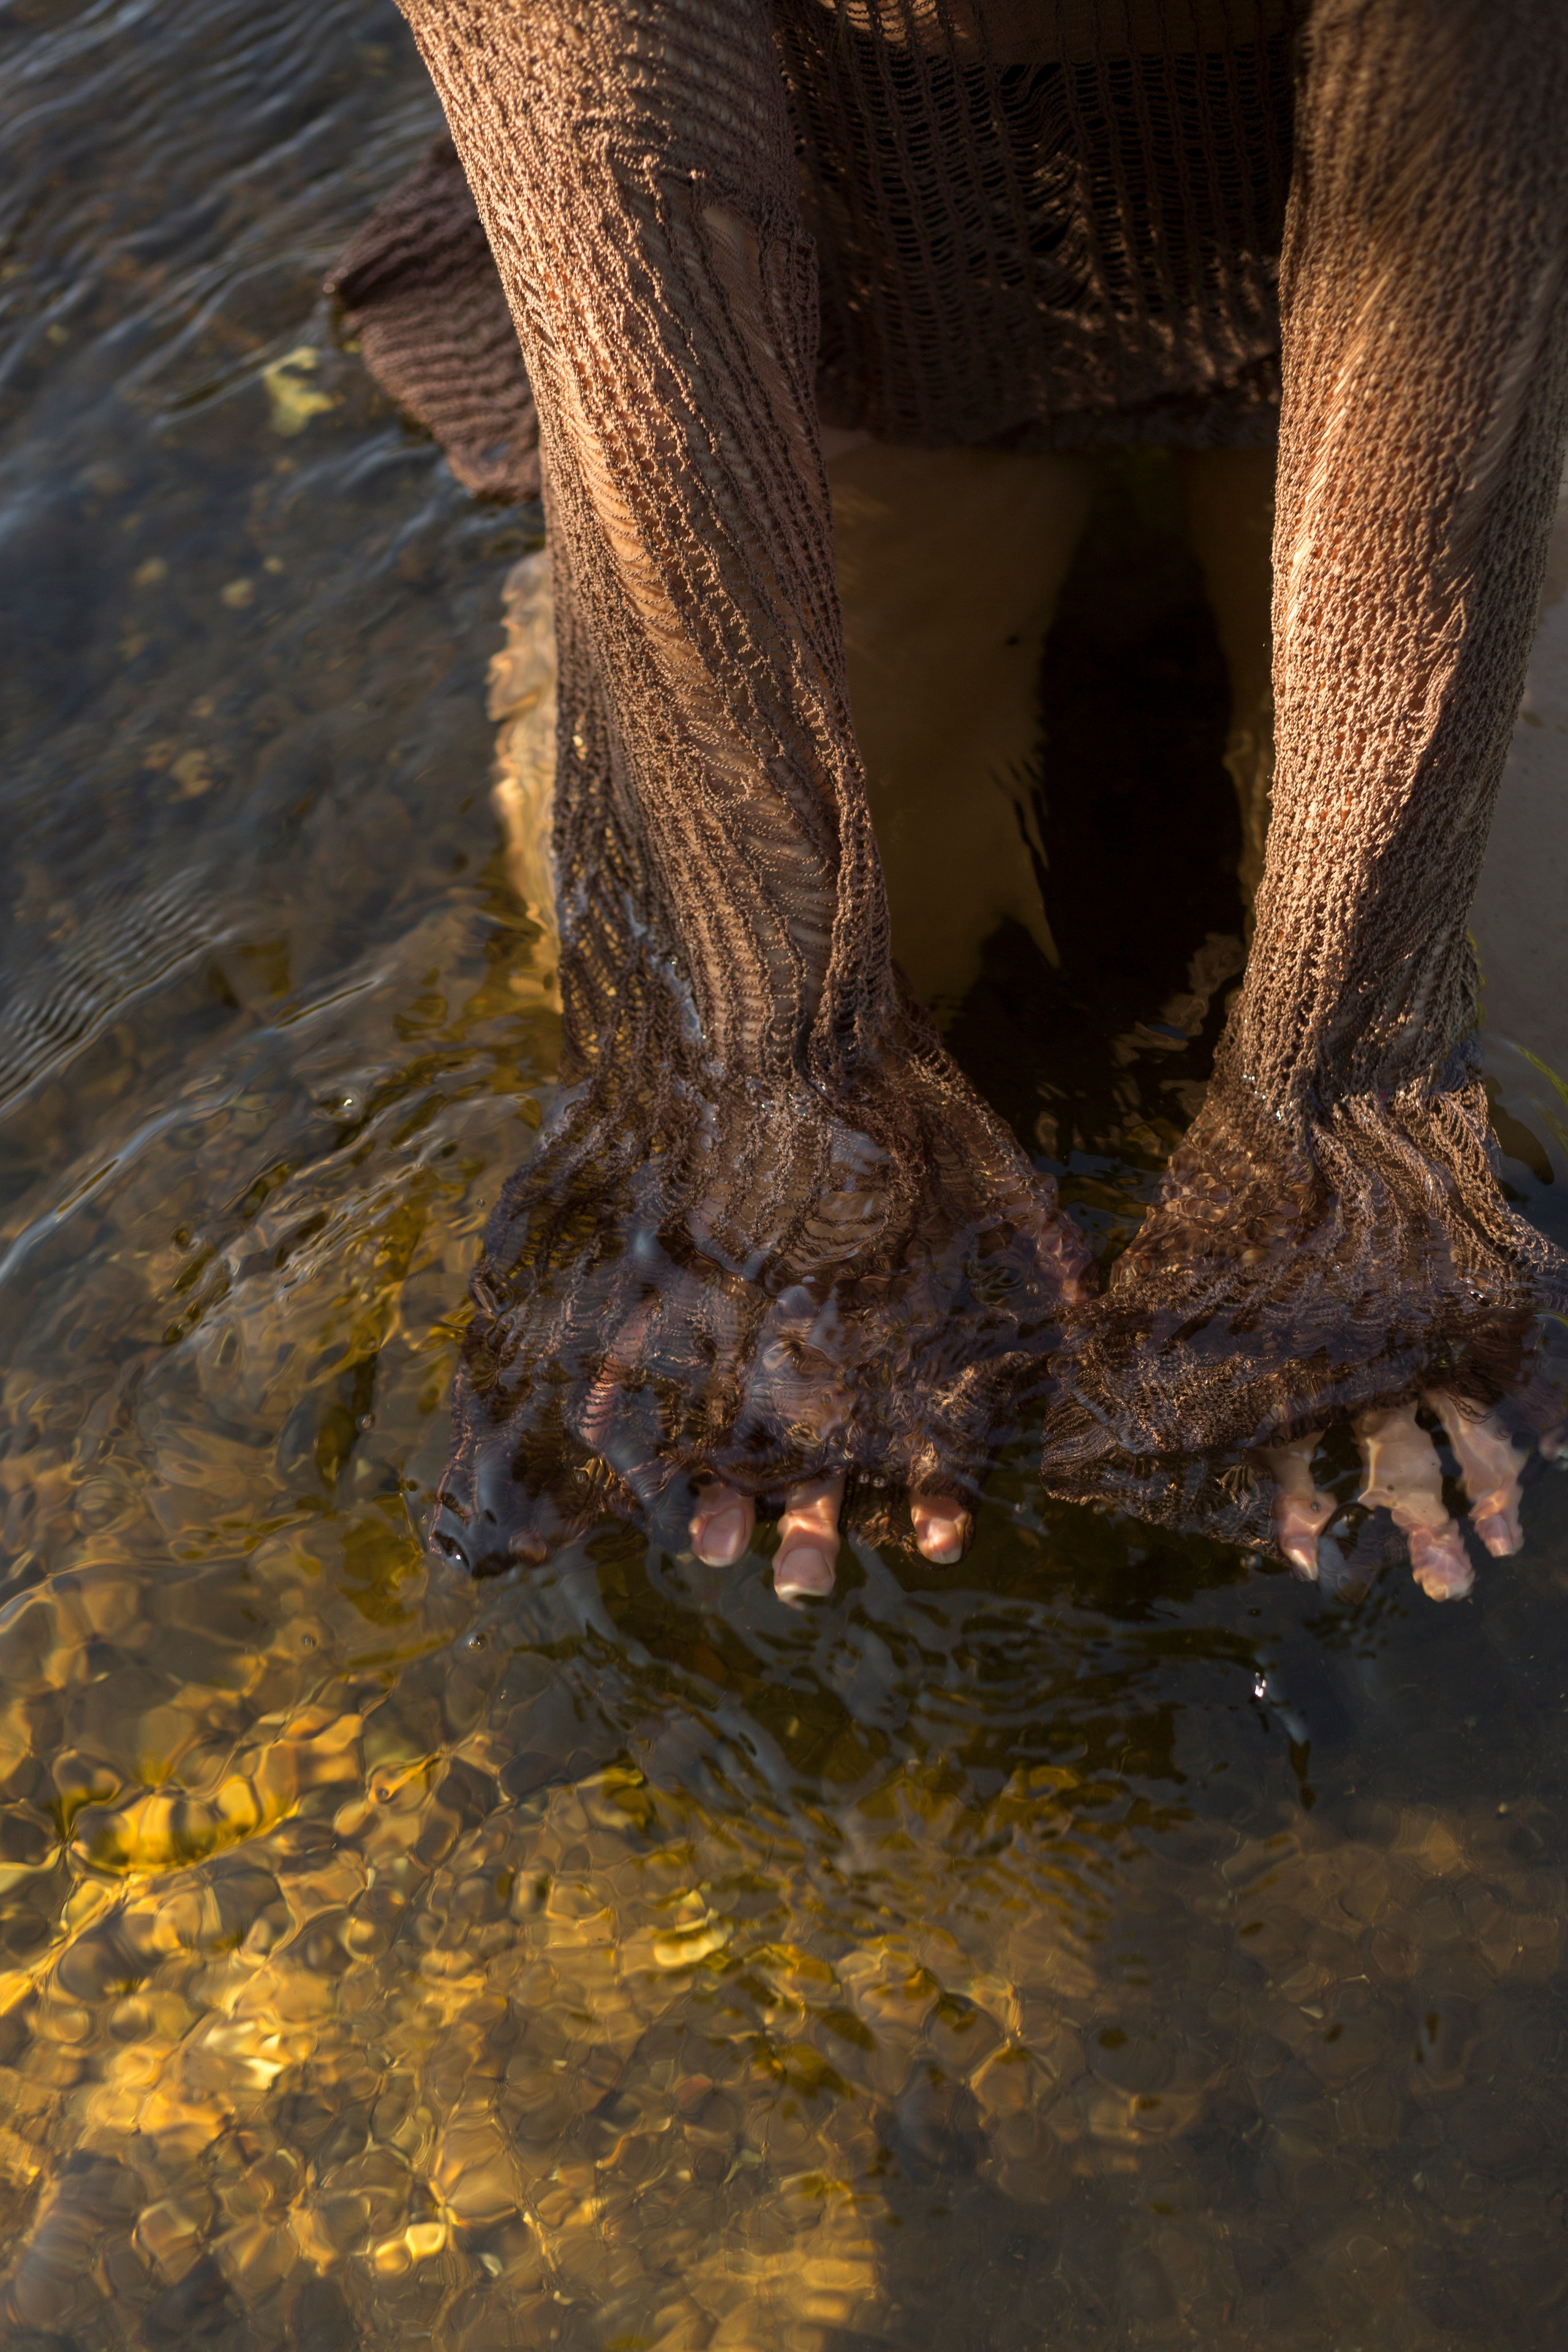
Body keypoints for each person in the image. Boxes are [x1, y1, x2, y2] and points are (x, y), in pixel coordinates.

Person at [331, 0, 1568, 1602]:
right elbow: (623, 179)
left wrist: (1352, 1081)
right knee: (720, 1058)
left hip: (1476, 230)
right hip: (854, 244)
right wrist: (760, 1065)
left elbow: (1458, 191)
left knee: (1516, 1032)